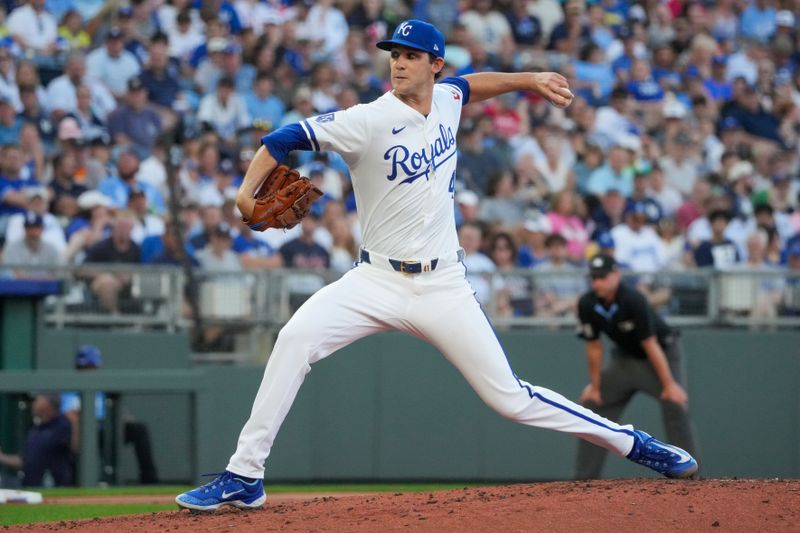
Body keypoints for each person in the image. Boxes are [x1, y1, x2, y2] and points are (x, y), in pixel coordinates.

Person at [175, 19, 698, 512]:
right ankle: (245, 476)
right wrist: (246, 194)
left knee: (510, 399)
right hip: (374, 279)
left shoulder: (448, 97)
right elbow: (282, 139)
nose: (399, 63)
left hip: (443, 283)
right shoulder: (366, 120)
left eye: (411, 56)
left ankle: (634, 443)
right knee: (294, 340)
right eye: (394, 55)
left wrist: (530, 79)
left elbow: (473, 85)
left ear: (435, 65)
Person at [574, 254, 698, 479]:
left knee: (675, 403)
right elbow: (594, 346)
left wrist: (669, 385)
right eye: (593, 277)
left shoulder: (632, 298)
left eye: (602, 276)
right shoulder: (588, 303)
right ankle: (584, 481)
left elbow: (650, 344)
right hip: (624, 360)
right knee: (593, 404)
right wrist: (595, 385)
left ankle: (690, 475)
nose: (597, 282)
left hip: (661, 355)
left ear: (616, 275)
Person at [61, 345, 159, 484]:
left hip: (107, 427)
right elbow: (69, 414)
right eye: (84, 368)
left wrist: (123, 419)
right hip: (84, 430)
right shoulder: (71, 388)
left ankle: (150, 481)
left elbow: (117, 410)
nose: (88, 371)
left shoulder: (102, 386)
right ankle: (77, 483)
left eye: (91, 367)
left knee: (139, 429)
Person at [0, 394, 73, 487]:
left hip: (55, 488)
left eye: (36, 400)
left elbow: (75, 448)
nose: (33, 404)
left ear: (47, 402)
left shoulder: (63, 425)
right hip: (31, 487)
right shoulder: (35, 429)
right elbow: (26, 461)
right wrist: (2, 457)